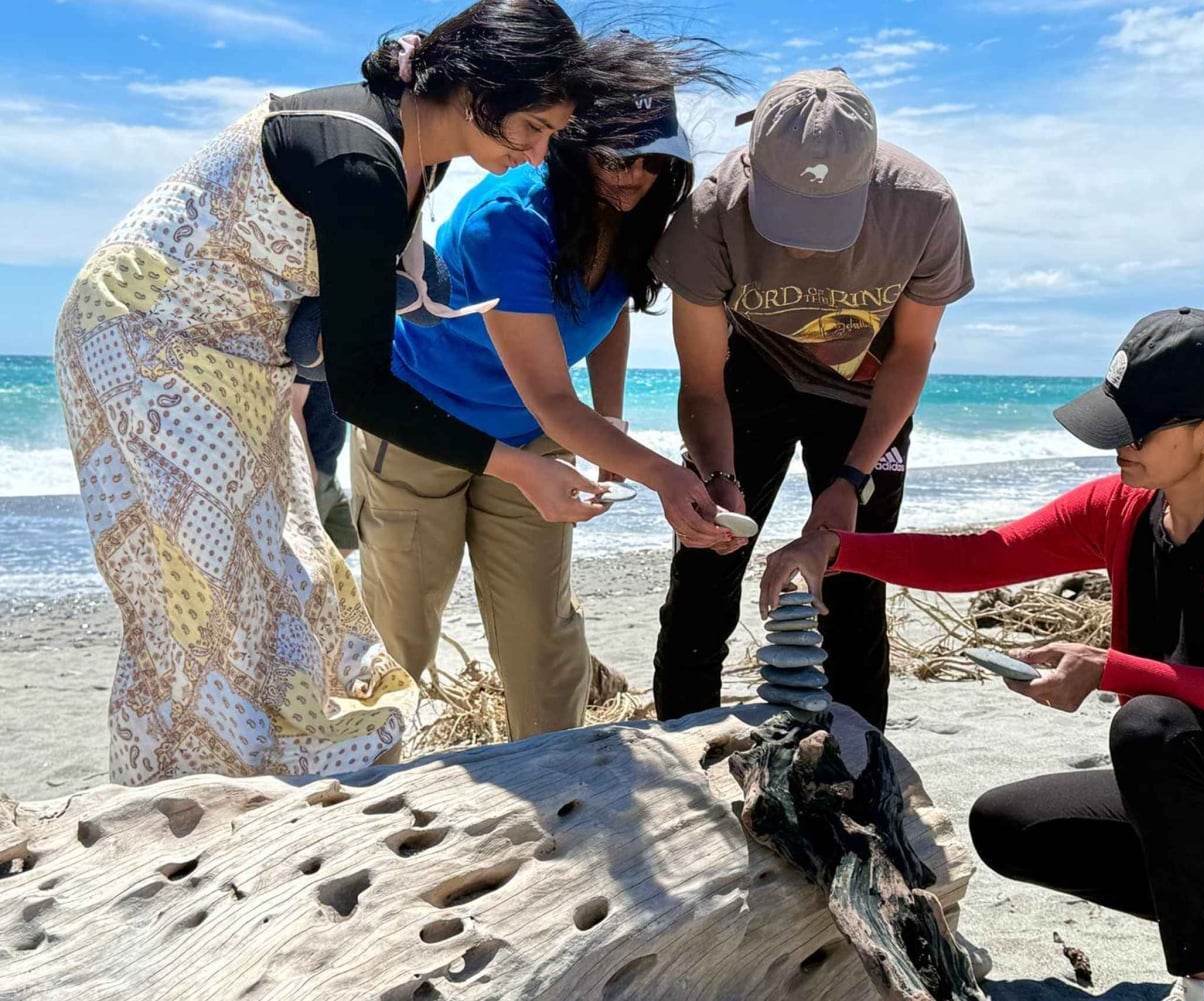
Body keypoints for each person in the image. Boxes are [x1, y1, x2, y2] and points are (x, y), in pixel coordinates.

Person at [762, 308, 1204, 1001]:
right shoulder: (1126, 506)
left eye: (1139, 427)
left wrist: (1109, 667)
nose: (1118, 444)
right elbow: (986, 555)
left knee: (1150, 729)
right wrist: (837, 550)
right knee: (1010, 827)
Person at [52, 0, 596, 785]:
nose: (543, 153)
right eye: (535, 128)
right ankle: (195, 806)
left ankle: (267, 782)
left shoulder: (420, 150)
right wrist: (520, 467)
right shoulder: (364, 163)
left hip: (233, 353)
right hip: (145, 344)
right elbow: (365, 388)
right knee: (207, 597)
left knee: (286, 570)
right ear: (481, 90)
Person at [356, 34, 731, 740]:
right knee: (401, 635)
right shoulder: (509, 220)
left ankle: (564, 786)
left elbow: (605, 312)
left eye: (654, 158)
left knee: (543, 634)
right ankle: (360, 795)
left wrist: (613, 426)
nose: (633, 174)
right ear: (571, 142)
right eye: (614, 155)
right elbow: (554, 401)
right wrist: (661, 477)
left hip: (532, 435)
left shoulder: (632, 217)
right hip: (423, 423)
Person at [649, 69, 974, 730]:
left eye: (823, 219)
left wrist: (852, 478)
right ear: (752, 161)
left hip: (863, 386)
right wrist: (716, 475)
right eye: (787, 212)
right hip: (753, 376)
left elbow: (912, 353)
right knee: (707, 570)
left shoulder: (923, 207)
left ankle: (859, 768)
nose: (800, 242)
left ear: (868, 174)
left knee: (854, 582)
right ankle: (686, 749)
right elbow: (703, 382)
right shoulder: (710, 212)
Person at [292, 378, 358, 556]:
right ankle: (311, 582)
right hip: (313, 470)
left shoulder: (325, 357)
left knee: (350, 536)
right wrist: (306, 468)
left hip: (328, 469)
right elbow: (292, 406)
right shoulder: (305, 354)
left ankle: (326, 582)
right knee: (307, 552)